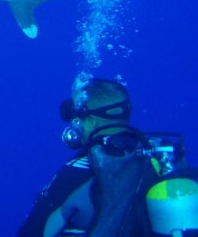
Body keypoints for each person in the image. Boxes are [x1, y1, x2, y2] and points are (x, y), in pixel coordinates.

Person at [17, 77, 197, 236]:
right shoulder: (162, 155)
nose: (76, 124)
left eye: (78, 119)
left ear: (91, 121)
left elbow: (32, 232)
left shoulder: (78, 172)